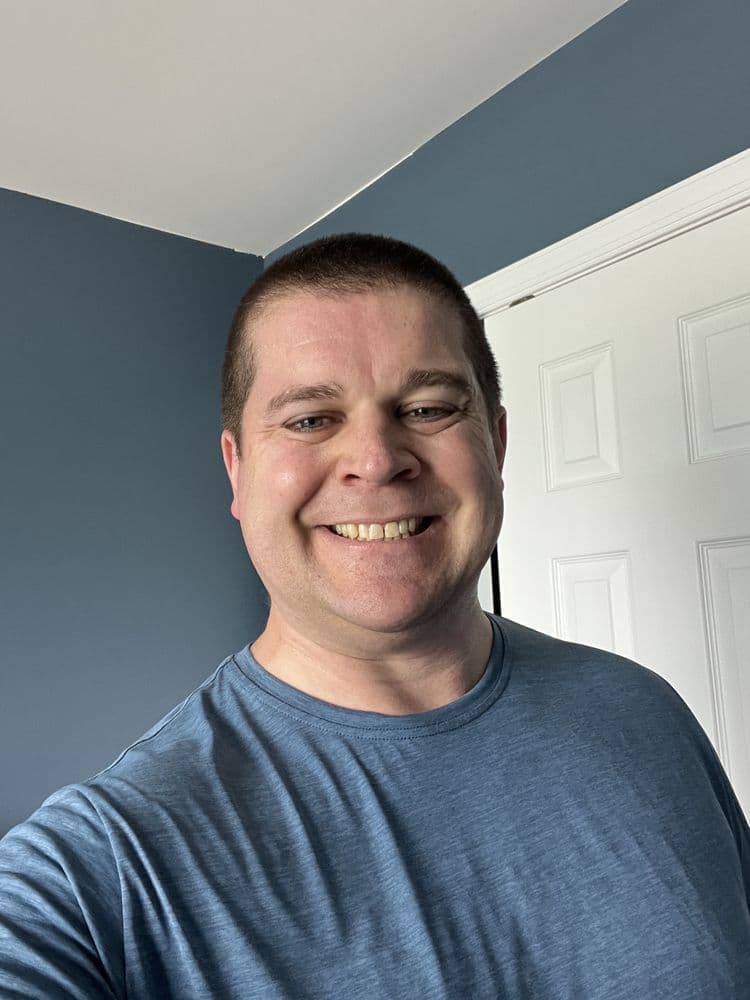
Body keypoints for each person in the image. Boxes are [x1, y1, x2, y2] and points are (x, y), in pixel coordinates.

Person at [0, 233, 748, 999]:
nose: (377, 457)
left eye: (427, 408)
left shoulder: (643, 709)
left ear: (494, 441)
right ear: (237, 467)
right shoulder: (103, 868)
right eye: (310, 420)